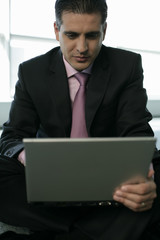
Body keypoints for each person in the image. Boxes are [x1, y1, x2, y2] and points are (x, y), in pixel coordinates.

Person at [0, 0, 160, 239]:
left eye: (92, 35)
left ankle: (58, 231)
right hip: (51, 179)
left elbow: (136, 130)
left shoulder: (127, 66)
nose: (82, 47)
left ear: (104, 30)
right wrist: (30, 158)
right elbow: (12, 137)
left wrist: (142, 174)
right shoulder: (31, 72)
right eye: (72, 35)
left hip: (112, 179)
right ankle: (105, 225)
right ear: (57, 31)